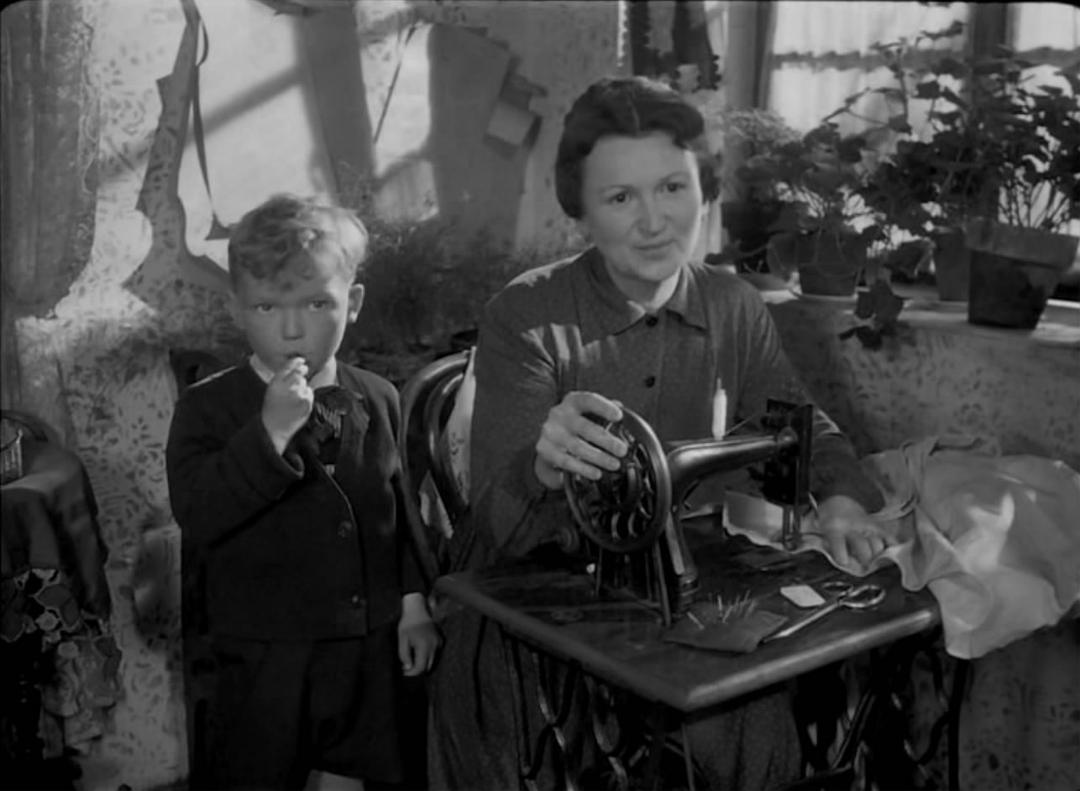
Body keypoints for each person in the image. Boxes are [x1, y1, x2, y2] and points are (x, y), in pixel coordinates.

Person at [429, 76, 893, 790]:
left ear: (703, 190)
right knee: (533, 741)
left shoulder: (733, 306)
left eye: (673, 187)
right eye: (620, 198)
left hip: (673, 594)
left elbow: (800, 423)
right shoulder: (528, 316)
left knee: (753, 711)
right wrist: (541, 469)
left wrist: (839, 498)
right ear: (581, 210)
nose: (654, 222)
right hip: (531, 602)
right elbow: (494, 528)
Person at [166, 194, 440, 791]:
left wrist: (413, 606)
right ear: (237, 309)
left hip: (364, 646)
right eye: (267, 306)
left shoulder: (380, 396)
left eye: (318, 304)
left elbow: (398, 516)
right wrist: (268, 433)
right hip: (263, 652)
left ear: (353, 302)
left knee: (362, 773)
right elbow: (200, 512)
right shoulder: (205, 408)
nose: (292, 329)